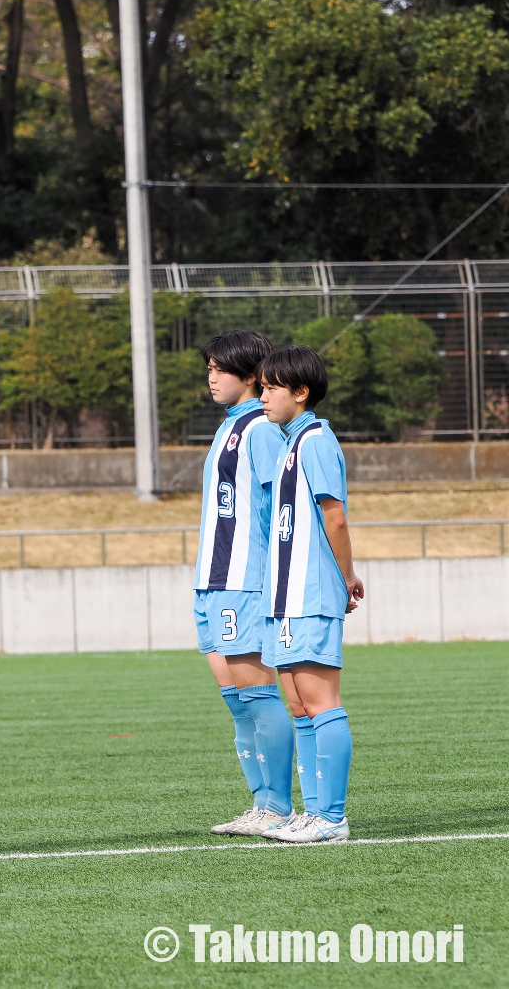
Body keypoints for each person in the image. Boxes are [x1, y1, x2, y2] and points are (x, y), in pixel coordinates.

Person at [257, 345, 364, 844]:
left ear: (301, 393)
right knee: (298, 705)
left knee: (322, 703)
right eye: (261, 386)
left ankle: (333, 817)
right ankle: (313, 811)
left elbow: (334, 515)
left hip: (311, 592)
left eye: (272, 387)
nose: (264, 396)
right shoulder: (288, 444)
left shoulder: (317, 439)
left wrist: (347, 576)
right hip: (284, 598)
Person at [192, 331, 295, 837]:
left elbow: (282, 504)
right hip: (211, 580)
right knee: (235, 700)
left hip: (243, 581)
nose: (212, 377)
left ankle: (279, 807)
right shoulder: (230, 427)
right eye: (208, 367)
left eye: (221, 368)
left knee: (256, 693)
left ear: (252, 375)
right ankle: (261, 805)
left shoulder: (260, 428)